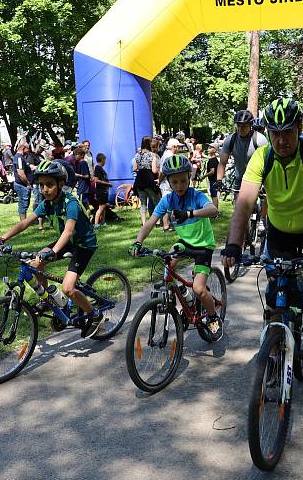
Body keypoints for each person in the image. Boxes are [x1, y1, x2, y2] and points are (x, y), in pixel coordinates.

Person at [221, 98, 303, 340]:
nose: (281, 140)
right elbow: (244, 205)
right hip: (280, 230)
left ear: (299, 127)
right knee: (275, 287)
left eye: (288, 132)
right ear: (267, 132)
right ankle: (275, 335)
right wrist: (234, 245)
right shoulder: (262, 157)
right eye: (274, 133)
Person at [0, 161, 105, 338]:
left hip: (84, 244)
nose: (44, 189)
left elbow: (68, 231)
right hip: (67, 242)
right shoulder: (47, 203)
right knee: (35, 264)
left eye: (49, 185)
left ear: (61, 184)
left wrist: (53, 251)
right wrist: (2, 238)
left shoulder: (71, 203)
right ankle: (47, 299)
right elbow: (24, 223)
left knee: (68, 288)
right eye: (41, 185)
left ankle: (95, 315)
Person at [131, 155, 223, 339]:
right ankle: (180, 294)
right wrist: (138, 241)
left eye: (183, 180)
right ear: (169, 182)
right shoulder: (168, 200)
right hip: (184, 242)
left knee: (199, 288)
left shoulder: (196, 195)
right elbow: (150, 222)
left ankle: (213, 317)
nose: (179, 185)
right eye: (175, 182)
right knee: (168, 268)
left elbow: (213, 210)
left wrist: (190, 213)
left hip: (203, 245)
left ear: (189, 178)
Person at [215, 110, 268, 192]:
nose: (240, 129)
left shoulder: (259, 139)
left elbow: (268, 163)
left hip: (259, 179)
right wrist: (219, 181)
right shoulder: (230, 139)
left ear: (250, 126)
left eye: (244, 126)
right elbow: (222, 163)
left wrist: (266, 183)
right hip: (240, 178)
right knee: (238, 203)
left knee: (263, 201)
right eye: (238, 125)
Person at [132, 137, 161, 227]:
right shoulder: (152, 155)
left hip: (139, 181)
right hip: (149, 180)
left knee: (143, 203)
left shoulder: (137, 155)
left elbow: (134, 168)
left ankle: (144, 223)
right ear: (149, 143)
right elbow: (154, 170)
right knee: (156, 201)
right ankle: (157, 222)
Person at [12, 142, 35, 222]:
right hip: (22, 185)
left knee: (24, 203)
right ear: (23, 148)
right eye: (28, 149)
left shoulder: (21, 157)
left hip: (23, 185)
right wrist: (27, 183)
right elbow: (21, 173)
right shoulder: (19, 158)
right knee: (23, 203)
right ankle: (23, 222)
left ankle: (24, 221)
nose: (28, 151)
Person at [92, 152, 111, 228]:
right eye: (105, 160)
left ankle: (103, 222)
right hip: (101, 191)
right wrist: (107, 184)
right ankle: (96, 224)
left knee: (104, 207)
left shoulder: (100, 168)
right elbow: (96, 180)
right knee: (101, 207)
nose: (105, 162)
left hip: (104, 191)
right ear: (102, 160)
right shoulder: (97, 168)